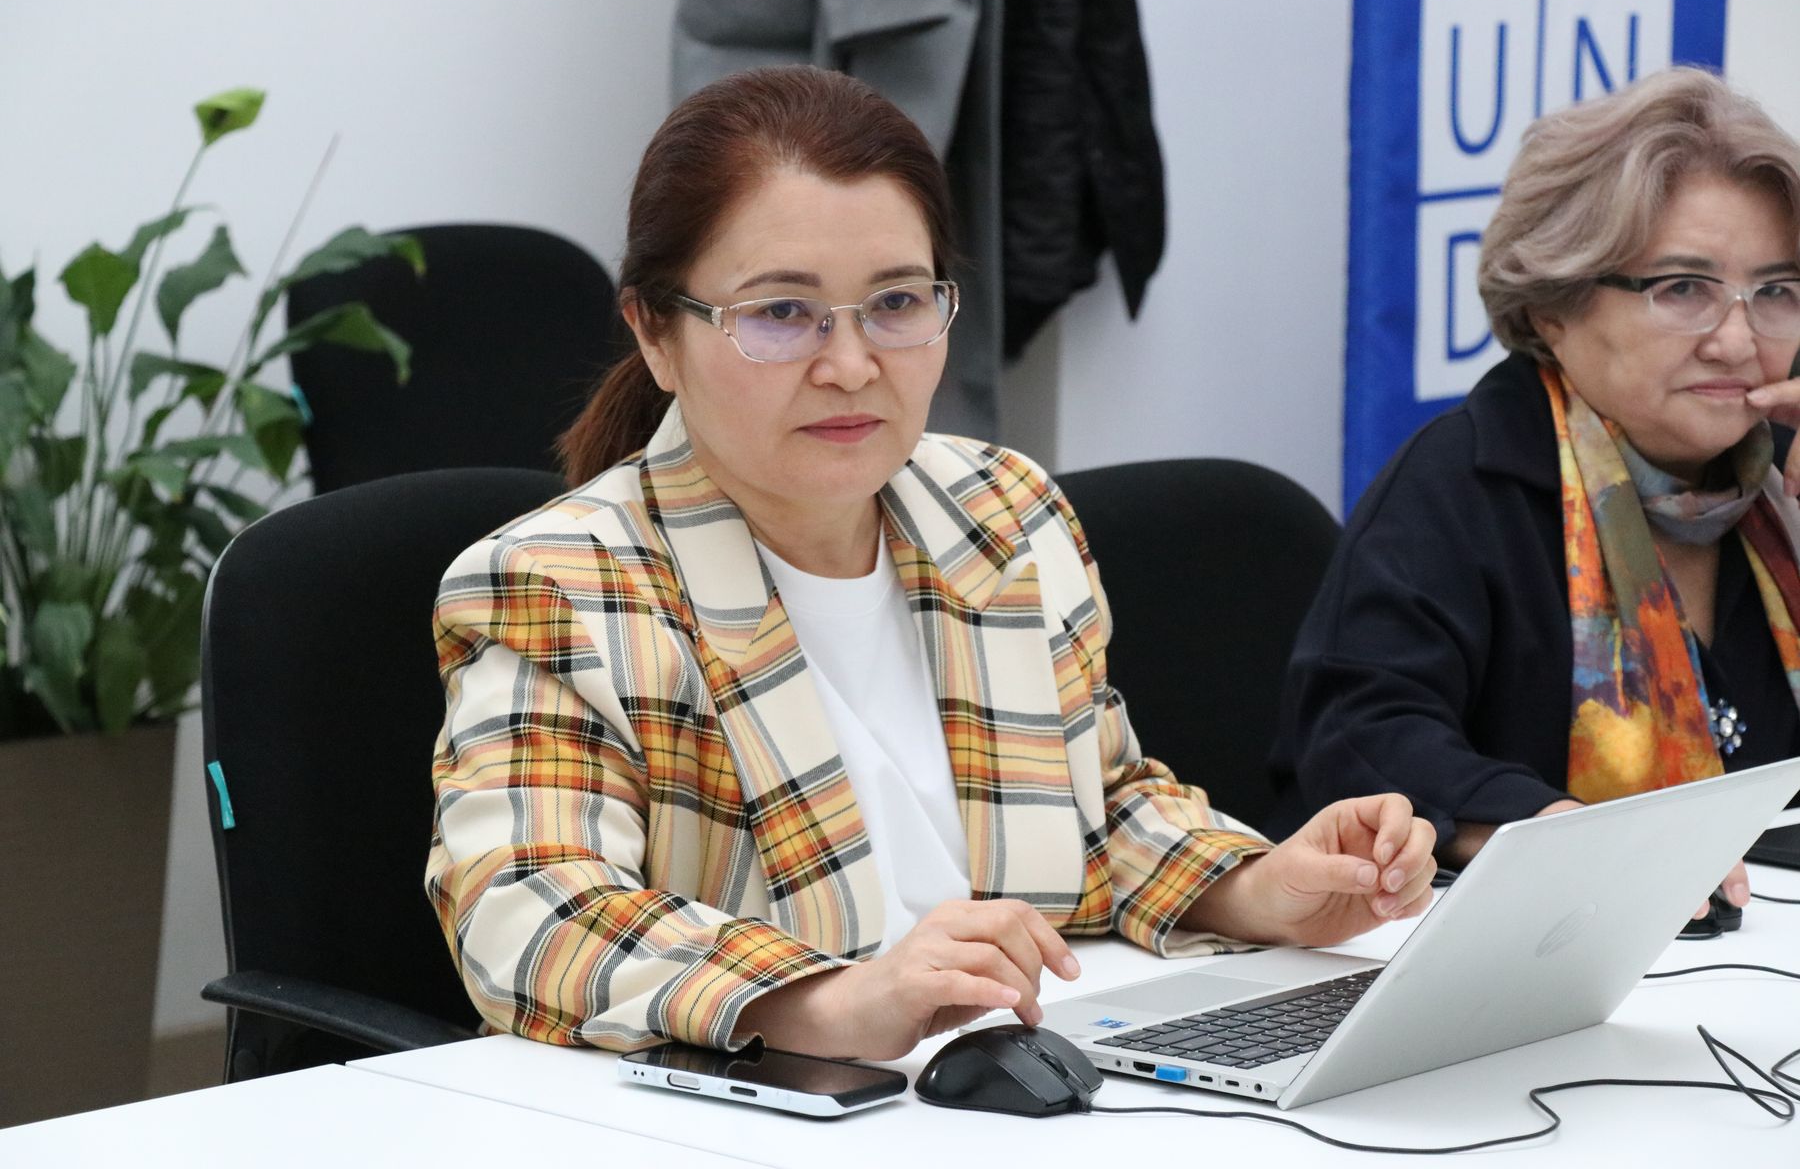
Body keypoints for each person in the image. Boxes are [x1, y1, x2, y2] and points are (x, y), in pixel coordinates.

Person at [427, 65, 1434, 1063]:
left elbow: (1099, 808)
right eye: (781, 313)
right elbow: (530, 912)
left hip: (1024, 1060)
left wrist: (1262, 889)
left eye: (897, 302)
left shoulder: (1003, 510)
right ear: (655, 333)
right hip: (770, 1100)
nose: (851, 365)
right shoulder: (561, 582)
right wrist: (830, 1002)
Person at [1267, 68, 1800, 920]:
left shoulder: (1783, 476)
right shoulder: (1464, 482)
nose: (1737, 340)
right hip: (1542, 949)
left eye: (1775, 292)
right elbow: (1362, 737)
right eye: (1683, 289)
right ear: (1557, 305)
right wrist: (1560, 834)